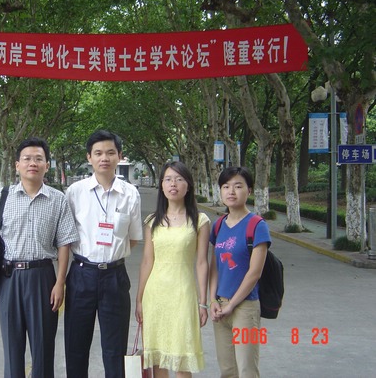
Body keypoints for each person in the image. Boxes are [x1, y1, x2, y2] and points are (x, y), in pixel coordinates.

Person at [0, 137, 79, 378]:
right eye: (27, 159)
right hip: (8, 278)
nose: (32, 163)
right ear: (17, 165)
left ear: (47, 165)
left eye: (38, 159)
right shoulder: (3, 196)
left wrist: (60, 283)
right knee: (12, 346)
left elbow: (64, 244)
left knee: (43, 347)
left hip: (43, 278)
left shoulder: (57, 199)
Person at [64, 129, 143, 378]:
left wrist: (111, 255)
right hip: (81, 275)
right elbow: (65, 237)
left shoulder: (130, 193)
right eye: (98, 153)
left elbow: (133, 238)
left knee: (115, 349)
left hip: (115, 277)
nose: (104, 158)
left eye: (110, 152)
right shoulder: (75, 192)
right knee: (76, 347)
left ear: (120, 156)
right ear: (89, 157)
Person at [135, 161, 210, 377]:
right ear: (161, 185)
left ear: (188, 185)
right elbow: (147, 261)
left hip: (183, 294)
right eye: (168, 179)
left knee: (182, 356)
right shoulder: (152, 221)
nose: (173, 184)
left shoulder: (200, 220)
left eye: (179, 179)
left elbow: (201, 262)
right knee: (158, 358)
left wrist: (203, 302)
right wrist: (139, 299)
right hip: (155, 295)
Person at [209, 166, 271, 378]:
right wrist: (212, 300)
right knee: (227, 370)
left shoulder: (257, 225)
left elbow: (255, 273)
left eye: (238, 186)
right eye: (226, 186)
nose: (231, 191)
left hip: (245, 308)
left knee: (246, 370)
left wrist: (232, 304)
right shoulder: (218, 225)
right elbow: (215, 267)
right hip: (220, 306)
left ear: (249, 190)